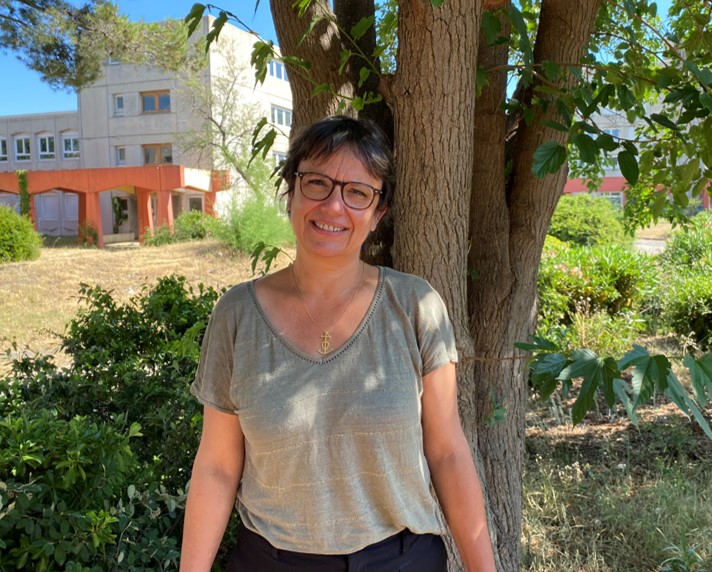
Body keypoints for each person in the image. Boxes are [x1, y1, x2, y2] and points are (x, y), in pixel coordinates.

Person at [180, 115, 497, 572]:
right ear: (291, 192)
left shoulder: (416, 306)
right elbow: (217, 466)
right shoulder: (237, 315)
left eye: (357, 192)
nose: (333, 206)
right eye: (317, 183)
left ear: (378, 213)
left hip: (401, 560)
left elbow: (447, 452)